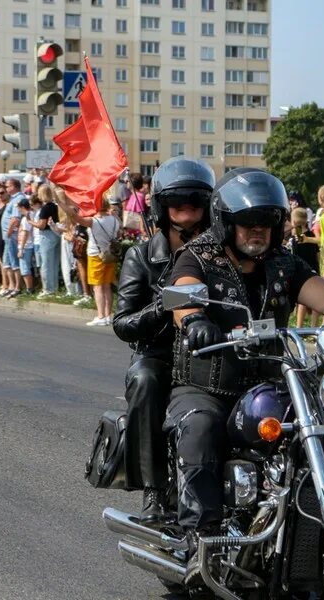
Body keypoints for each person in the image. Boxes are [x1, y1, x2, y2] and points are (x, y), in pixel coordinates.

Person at [164, 168, 324, 587]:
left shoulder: (283, 264)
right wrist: (195, 319)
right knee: (199, 428)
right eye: (248, 222)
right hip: (208, 384)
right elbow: (183, 291)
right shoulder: (197, 256)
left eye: (267, 222)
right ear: (226, 223)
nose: (258, 231)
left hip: (271, 381)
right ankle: (200, 539)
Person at [113, 157, 215, 522]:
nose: (186, 210)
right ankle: (154, 489)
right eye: (178, 203)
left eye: (195, 202)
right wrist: (163, 306)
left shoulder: (222, 254)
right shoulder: (140, 256)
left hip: (210, 351)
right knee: (145, 380)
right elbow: (123, 323)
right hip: (159, 353)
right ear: (161, 207)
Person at [58, 192, 121, 326]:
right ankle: (108, 315)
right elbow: (119, 229)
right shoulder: (114, 219)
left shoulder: (94, 221)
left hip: (96, 255)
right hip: (110, 255)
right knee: (106, 286)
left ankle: (100, 316)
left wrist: (60, 203)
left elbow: (74, 216)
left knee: (97, 287)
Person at [286, 207, 321, 328]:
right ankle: (314, 326)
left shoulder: (296, 239)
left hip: (301, 271)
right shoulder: (311, 236)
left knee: (302, 301)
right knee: (316, 300)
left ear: (294, 222)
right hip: (314, 269)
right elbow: (317, 254)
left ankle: (299, 326)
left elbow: (293, 256)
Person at [32, 184, 62, 298]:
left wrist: (31, 222)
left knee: (46, 264)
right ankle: (54, 288)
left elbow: (42, 225)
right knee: (54, 263)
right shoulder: (55, 206)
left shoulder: (45, 208)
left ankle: (48, 289)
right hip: (55, 234)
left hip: (46, 235)